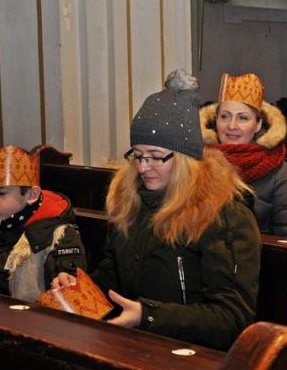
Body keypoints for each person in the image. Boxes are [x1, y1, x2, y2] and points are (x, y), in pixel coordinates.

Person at [53, 70, 261, 350]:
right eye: (137, 155)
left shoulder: (223, 215)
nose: (142, 167)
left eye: (155, 157)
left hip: (193, 355)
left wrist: (148, 315)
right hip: (135, 342)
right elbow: (112, 276)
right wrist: (80, 287)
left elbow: (232, 318)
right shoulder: (130, 202)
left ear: (185, 158)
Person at [0, 146, 86, 301]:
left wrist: (67, 283)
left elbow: (73, 289)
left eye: (1, 193)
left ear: (31, 195)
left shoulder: (59, 236)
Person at [200, 72, 287, 239]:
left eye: (242, 118)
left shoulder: (277, 171)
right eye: (225, 116)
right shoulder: (199, 162)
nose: (231, 126)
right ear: (216, 120)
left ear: (257, 124)